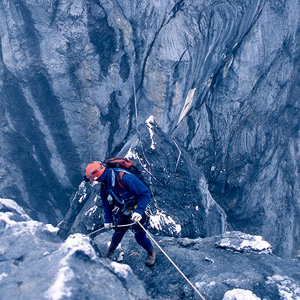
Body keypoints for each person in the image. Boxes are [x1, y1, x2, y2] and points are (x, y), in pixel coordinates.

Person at [84, 161, 156, 267]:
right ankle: (110, 252)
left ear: (101, 174)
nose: (98, 181)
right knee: (118, 232)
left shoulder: (125, 178)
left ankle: (151, 252)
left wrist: (139, 211)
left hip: (137, 210)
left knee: (140, 237)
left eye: (97, 179)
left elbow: (145, 193)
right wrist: (108, 219)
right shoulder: (105, 185)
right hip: (125, 210)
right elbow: (106, 203)